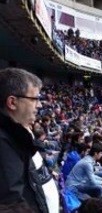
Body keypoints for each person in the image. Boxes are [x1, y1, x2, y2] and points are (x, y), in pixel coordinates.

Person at [0, 68, 53, 213]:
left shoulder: (16, 136)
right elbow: (10, 204)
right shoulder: (4, 144)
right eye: (35, 99)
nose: (40, 105)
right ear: (12, 102)